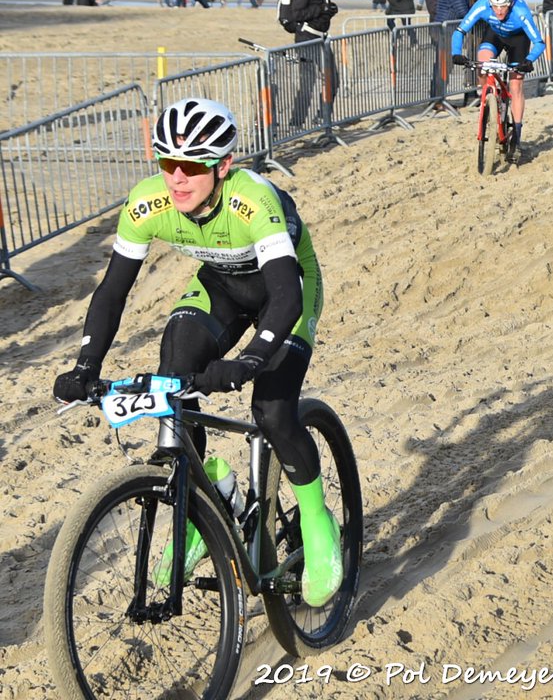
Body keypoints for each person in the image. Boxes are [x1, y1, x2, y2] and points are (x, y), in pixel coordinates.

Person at [52, 97, 342, 608]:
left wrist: (251, 360)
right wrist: (85, 366)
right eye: (167, 164)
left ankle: (318, 523)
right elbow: (112, 291)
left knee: (272, 412)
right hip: (222, 287)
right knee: (173, 379)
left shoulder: (252, 199)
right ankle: (200, 504)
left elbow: (287, 294)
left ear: (223, 165)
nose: (177, 178)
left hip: (287, 289)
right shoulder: (147, 203)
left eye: (191, 166)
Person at [449, 0, 545, 158]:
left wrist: (529, 59)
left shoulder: (521, 11)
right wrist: (456, 53)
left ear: (511, 2)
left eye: (503, 6)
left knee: (515, 85)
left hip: (519, 40)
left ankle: (516, 133)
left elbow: (539, 43)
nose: (499, 10)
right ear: (489, 2)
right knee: (482, 61)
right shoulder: (482, 5)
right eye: (495, 6)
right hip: (494, 35)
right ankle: (488, 97)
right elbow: (460, 31)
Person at [287, 0, 340, 125]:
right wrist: (322, 9)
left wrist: (329, 12)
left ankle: (322, 118)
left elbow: (316, 12)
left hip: (321, 38)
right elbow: (297, 13)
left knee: (332, 80)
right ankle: (296, 123)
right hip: (306, 39)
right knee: (308, 84)